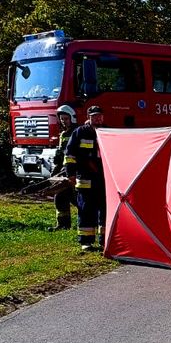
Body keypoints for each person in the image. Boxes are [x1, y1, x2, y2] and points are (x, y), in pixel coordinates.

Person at [64, 105, 107, 251]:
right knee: (86, 209)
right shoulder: (79, 132)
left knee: (105, 209)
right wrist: (70, 173)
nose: (98, 118)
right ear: (88, 118)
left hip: (103, 179)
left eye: (100, 115)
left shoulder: (108, 132)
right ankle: (86, 242)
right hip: (85, 178)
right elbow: (70, 155)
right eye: (94, 116)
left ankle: (104, 240)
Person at [50, 105, 76, 231]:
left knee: (78, 199)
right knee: (60, 196)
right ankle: (63, 224)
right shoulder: (63, 134)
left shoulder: (78, 133)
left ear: (72, 118)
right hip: (63, 171)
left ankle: (89, 223)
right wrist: (56, 168)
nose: (63, 121)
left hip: (75, 172)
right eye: (61, 119)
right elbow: (61, 154)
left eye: (66, 118)